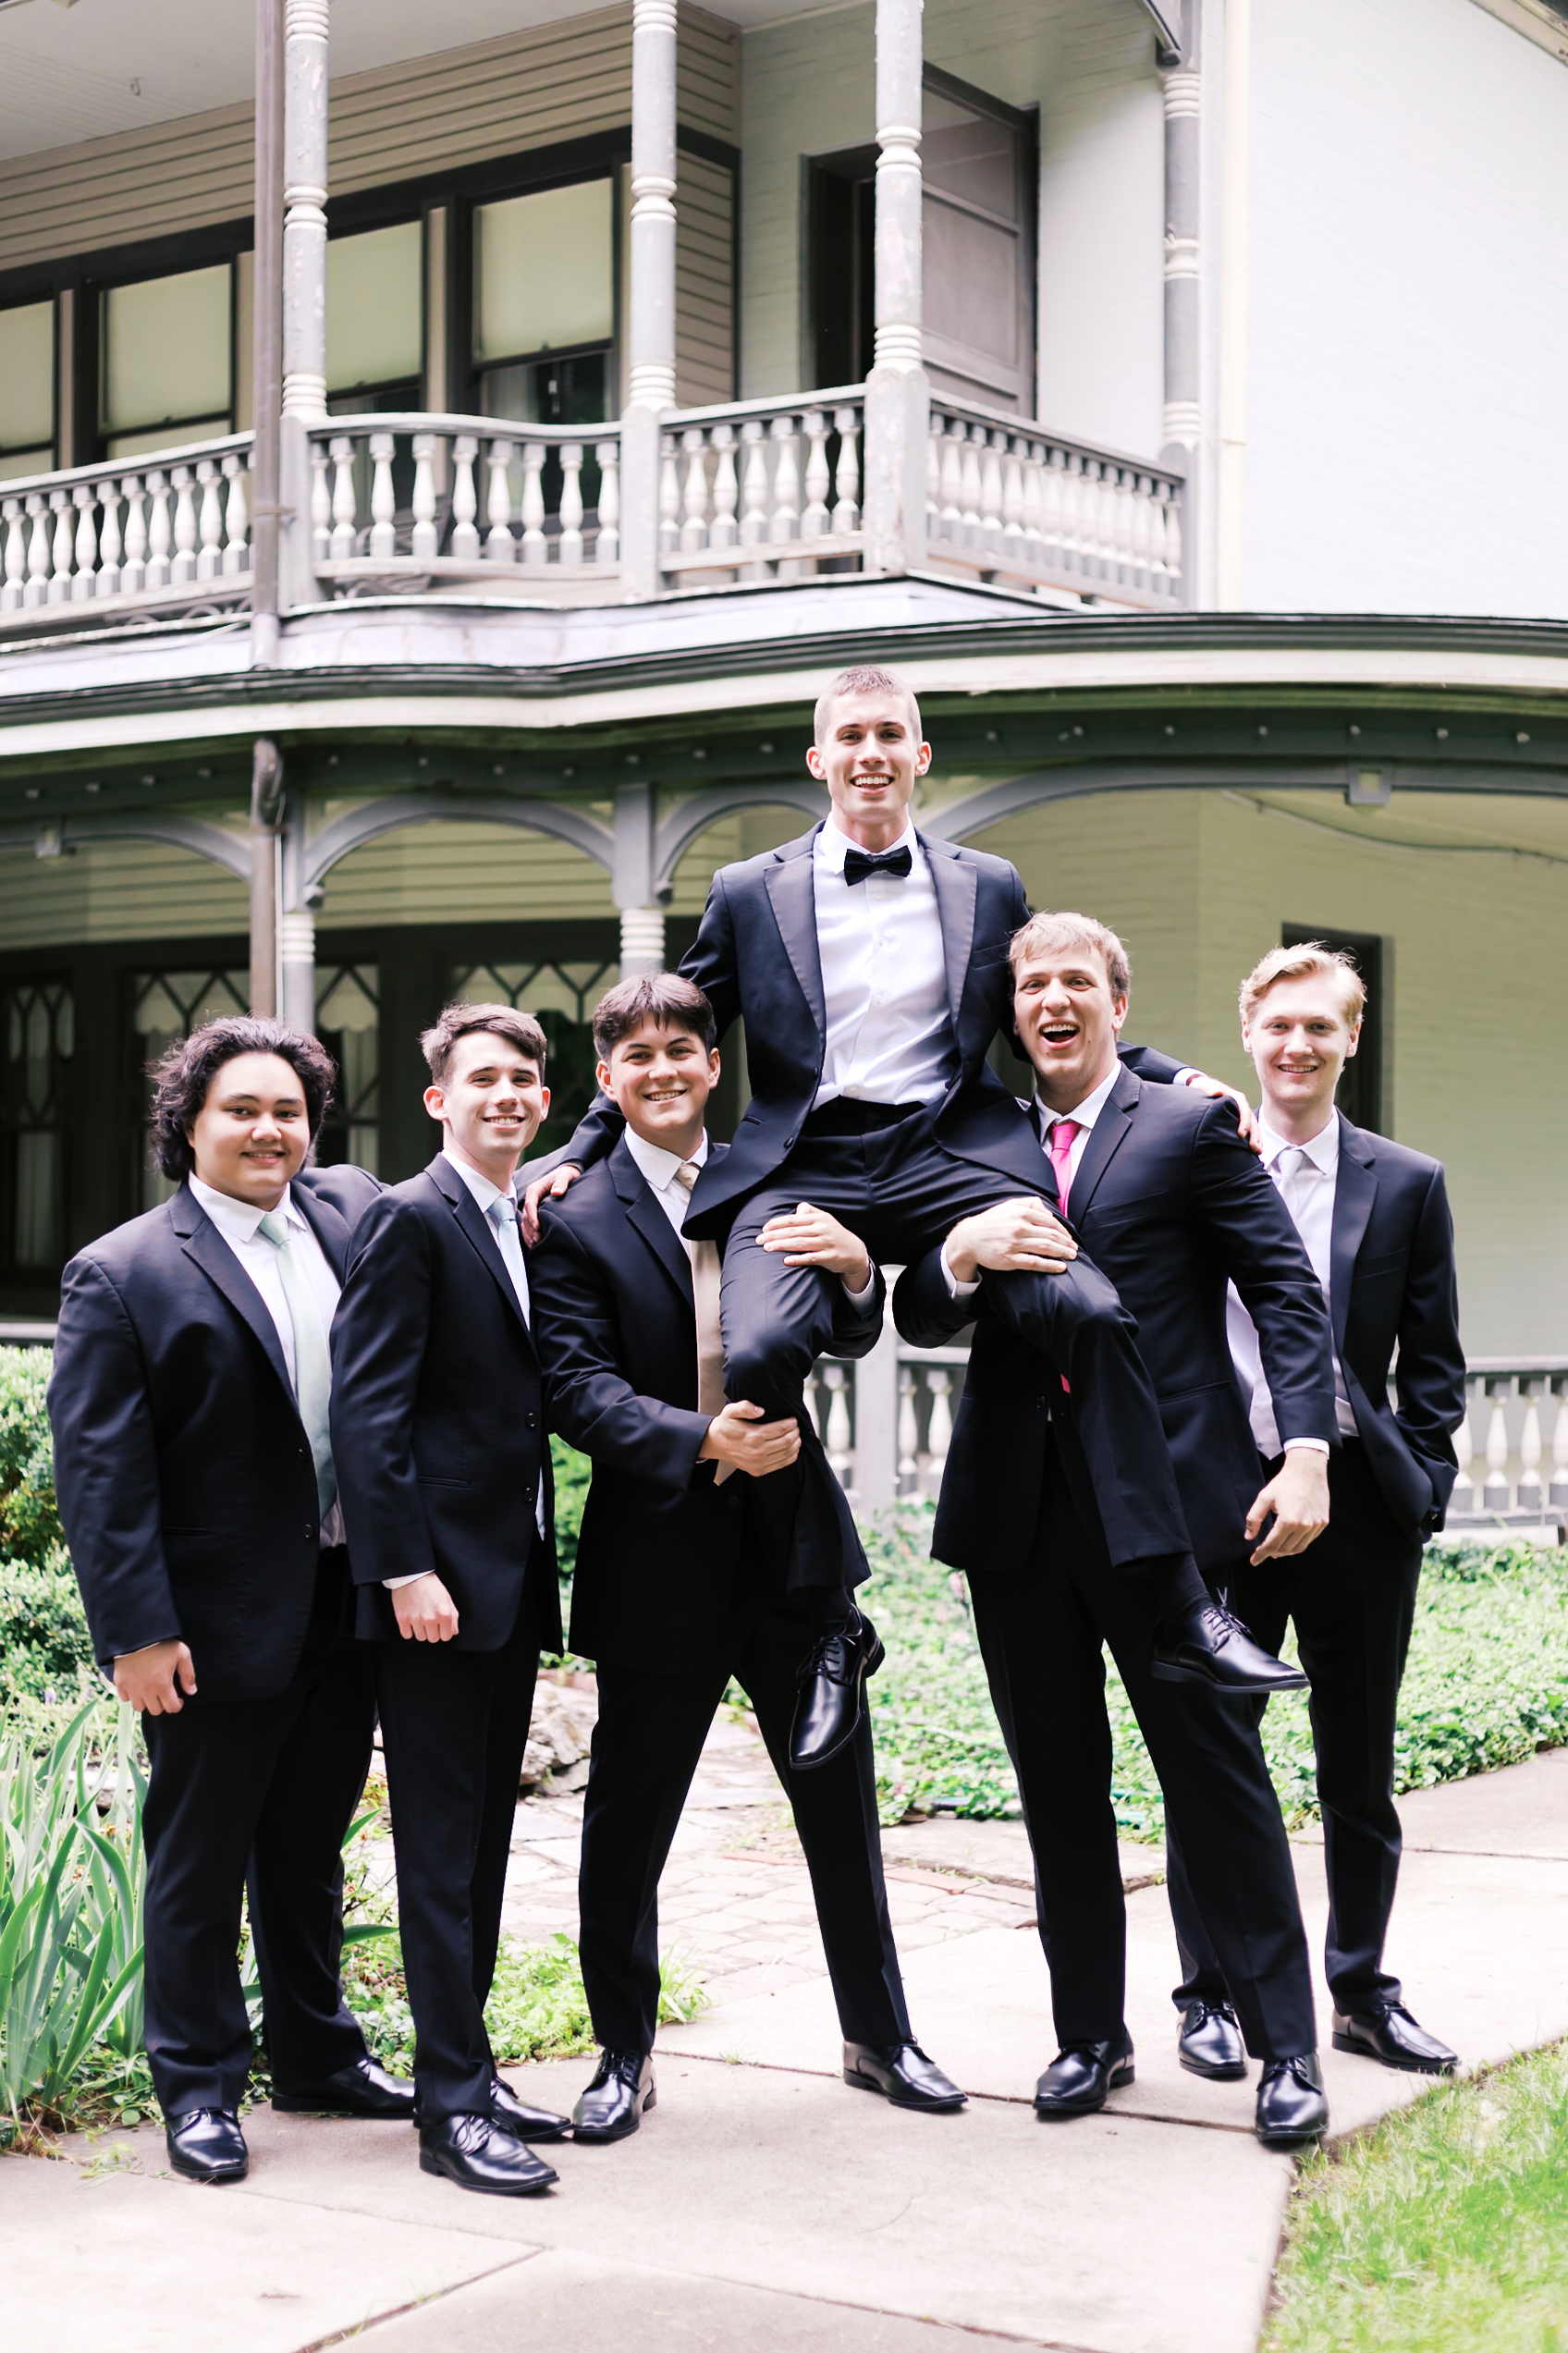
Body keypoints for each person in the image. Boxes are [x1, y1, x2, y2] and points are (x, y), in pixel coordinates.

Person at [526, 665, 1284, 1758]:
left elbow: (1047, 1000)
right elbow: (672, 1025)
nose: (871, 752)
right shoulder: (749, 889)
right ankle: (831, 1619)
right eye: (851, 735)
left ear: (919, 756)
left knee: (1087, 1310)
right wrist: (580, 1146)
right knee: (760, 1350)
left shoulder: (990, 882)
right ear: (819, 759)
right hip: (807, 1163)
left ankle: (1178, 1603)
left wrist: (1171, 1075)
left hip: (951, 1155)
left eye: (891, 733)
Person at [896, 912, 1341, 2149]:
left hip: (1171, 1516)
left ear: (1116, 1003)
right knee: (1057, 1789)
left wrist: (1306, 1450)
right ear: (1012, 1011)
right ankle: (1091, 2034)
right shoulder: (974, 1137)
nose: (1053, 998)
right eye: (1032, 982)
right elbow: (921, 1313)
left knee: (1216, 1783)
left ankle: (1286, 2047)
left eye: (1076, 981)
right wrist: (960, 1250)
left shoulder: (1190, 1126)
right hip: (1018, 1517)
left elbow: (1284, 1289)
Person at [531, 973, 968, 2136]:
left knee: (840, 1811)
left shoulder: (778, 1179)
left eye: (682, 1049)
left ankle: (880, 2037)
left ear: (713, 1065)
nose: (663, 1070)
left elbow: (850, 1326)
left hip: (794, 1552)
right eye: (638, 1056)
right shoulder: (570, 1213)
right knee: (627, 1825)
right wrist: (699, 1439)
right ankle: (621, 2053)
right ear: (608, 1079)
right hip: (656, 1551)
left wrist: (860, 1268)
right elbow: (573, 1385)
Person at [49, 1017, 411, 2187]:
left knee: (307, 1850)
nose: (269, 1130)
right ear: (188, 1124)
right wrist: (138, 1632)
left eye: (288, 1110)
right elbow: (101, 1475)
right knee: (199, 1862)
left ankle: (317, 2057)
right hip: (206, 1624)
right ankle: (199, 2086)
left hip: (340, 1599)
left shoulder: (351, 1216)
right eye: (241, 1109)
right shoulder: (124, 1271)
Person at [1164, 942, 1466, 2079]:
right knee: (1212, 1758)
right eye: (1279, 1024)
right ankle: (1208, 1994)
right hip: (1223, 1505)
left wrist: (1418, 1486)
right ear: (1248, 1032)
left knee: (1359, 1768)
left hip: (1358, 1510)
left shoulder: (1407, 1182)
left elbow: (1432, 1361)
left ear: (1351, 1038)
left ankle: (1359, 1989)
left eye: (1320, 1026)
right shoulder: (1193, 1160)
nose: (1297, 1045)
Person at [330, 1005, 569, 2199]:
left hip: (506, 1584)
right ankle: (451, 2111)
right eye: (483, 1078)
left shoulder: (520, 1218)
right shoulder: (411, 1216)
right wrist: (404, 1569)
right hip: (433, 1590)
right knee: (437, 1852)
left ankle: (467, 2068)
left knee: (482, 1845)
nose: (505, 1094)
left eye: (523, 1078)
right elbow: (367, 1410)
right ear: (439, 1099)